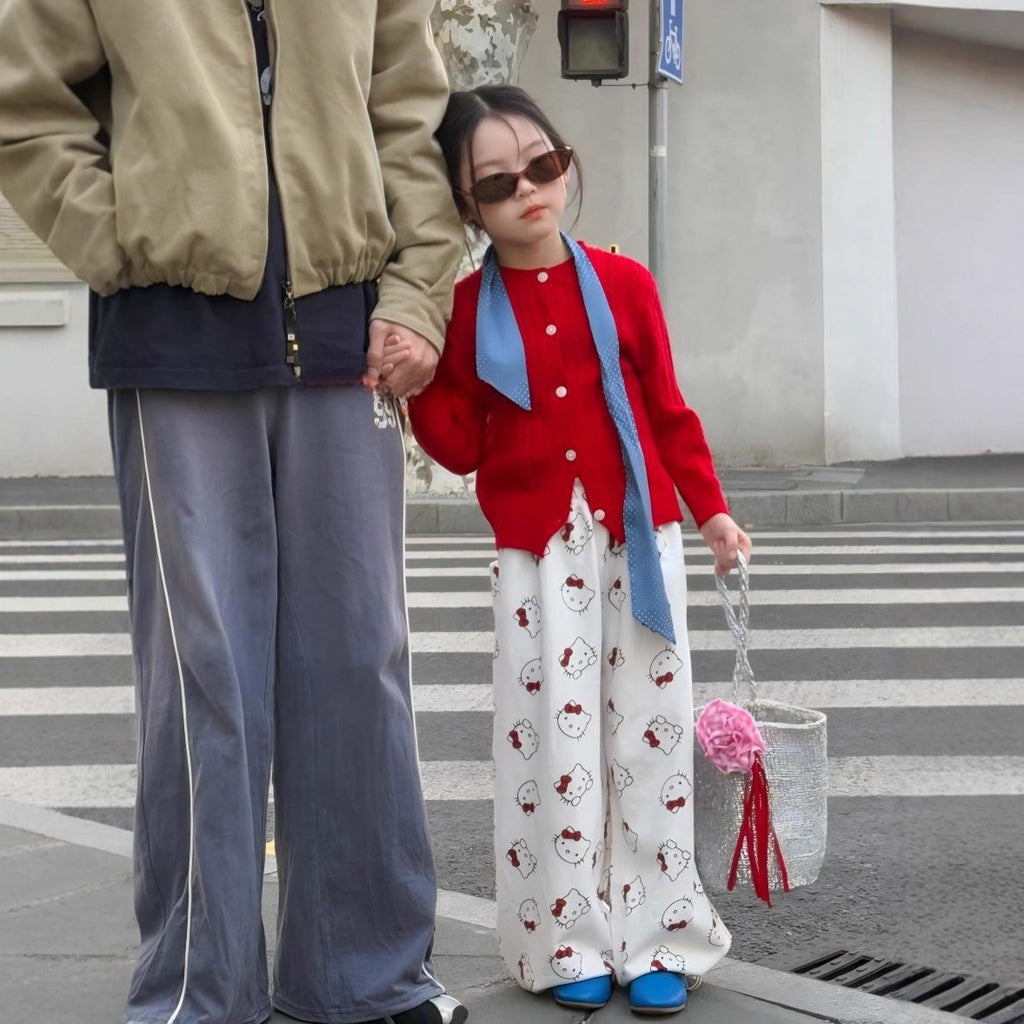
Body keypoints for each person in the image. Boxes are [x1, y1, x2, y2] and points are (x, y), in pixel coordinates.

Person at [0, 3, 467, 1023]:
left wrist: (416, 294)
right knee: (202, 675)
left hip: (345, 329)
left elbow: (412, 118)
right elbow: (22, 102)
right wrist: (114, 235)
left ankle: (369, 977)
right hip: (173, 323)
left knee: (358, 659)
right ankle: (195, 990)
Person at [398, 85, 753, 1017]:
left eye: (544, 166)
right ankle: (565, 936)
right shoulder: (468, 308)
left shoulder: (625, 284)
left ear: (566, 165)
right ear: (468, 204)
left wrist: (710, 512)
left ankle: (664, 936)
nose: (530, 190)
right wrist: (418, 380)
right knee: (551, 744)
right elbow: (464, 443)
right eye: (500, 181)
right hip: (536, 553)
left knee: (651, 735)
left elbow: (668, 412)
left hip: (641, 538)